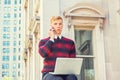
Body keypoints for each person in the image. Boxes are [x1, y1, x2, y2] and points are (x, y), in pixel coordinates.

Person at [38, 16, 77, 80]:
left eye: (60, 24)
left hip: (65, 74)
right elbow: (43, 53)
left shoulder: (70, 42)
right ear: (51, 26)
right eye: (55, 24)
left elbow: (72, 61)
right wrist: (51, 39)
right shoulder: (44, 41)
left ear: (62, 26)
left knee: (72, 78)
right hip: (49, 73)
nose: (58, 26)